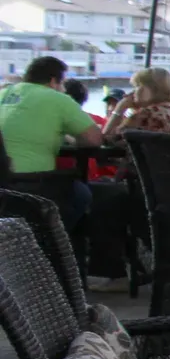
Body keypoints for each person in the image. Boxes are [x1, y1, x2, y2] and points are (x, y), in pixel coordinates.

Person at [0, 56, 103, 250]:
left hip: (3, 184)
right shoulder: (57, 98)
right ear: (54, 81)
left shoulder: (3, 93)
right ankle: (47, 245)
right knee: (82, 194)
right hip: (33, 183)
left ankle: (24, 246)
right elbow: (94, 139)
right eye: (62, 83)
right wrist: (71, 137)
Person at [100, 66, 170, 140]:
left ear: (151, 89)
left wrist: (120, 108)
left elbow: (107, 139)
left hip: (152, 161)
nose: (133, 92)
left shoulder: (146, 114)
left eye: (137, 86)